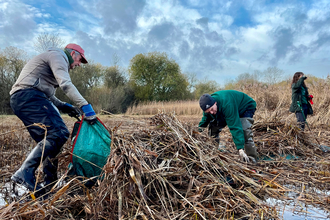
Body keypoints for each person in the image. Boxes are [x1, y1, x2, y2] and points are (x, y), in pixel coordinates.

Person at [10, 43, 97, 196]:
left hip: (24, 98)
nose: (78, 64)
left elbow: (49, 95)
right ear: (73, 54)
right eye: (79, 60)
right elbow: (66, 84)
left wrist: (64, 106)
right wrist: (85, 106)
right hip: (28, 96)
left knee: (50, 141)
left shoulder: (52, 62)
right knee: (58, 133)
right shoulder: (58, 56)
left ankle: (48, 183)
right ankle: (24, 173)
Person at [198, 90, 258, 162]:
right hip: (227, 109)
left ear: (215, 103)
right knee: (213, 127)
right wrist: (197, 131)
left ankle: (252, 159)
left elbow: (235, 126)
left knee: (244, 131)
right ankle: (213, 152)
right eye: (208, 112)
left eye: (212, 109)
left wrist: (240, 149)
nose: (211, 112)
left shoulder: (227, 104)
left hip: (245, 107)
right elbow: (204, 120)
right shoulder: (208, 108)